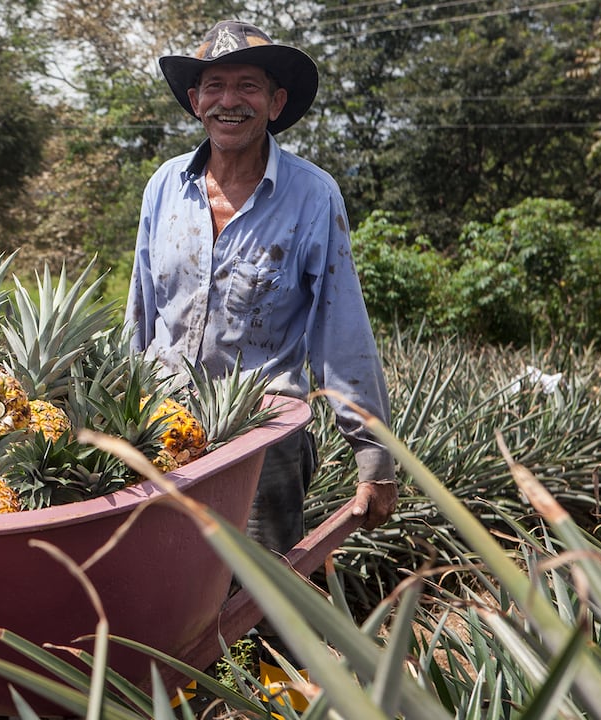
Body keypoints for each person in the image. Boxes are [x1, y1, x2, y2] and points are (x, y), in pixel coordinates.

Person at [125, 19, 398, 561]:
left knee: (261, 601)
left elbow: (340, 330)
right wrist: (122, 412)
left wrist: (374, 459)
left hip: (262, 435)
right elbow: (142, 312)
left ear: (275, 102)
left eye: (248, 86)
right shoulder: (165, 186)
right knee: (165, 588)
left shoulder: (313, 197)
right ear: (195, 99)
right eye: (215, 86)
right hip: (163, 425)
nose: (230, 101)